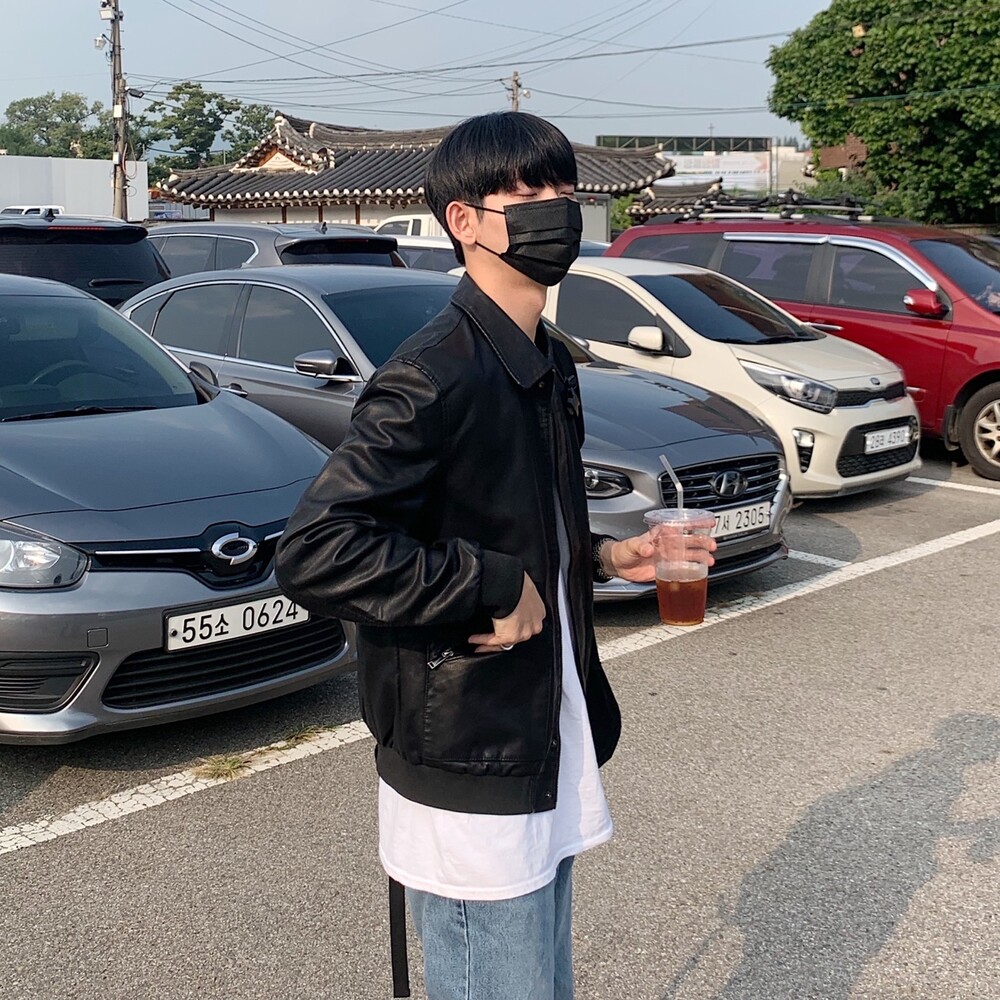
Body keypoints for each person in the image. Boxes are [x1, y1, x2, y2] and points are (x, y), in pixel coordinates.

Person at [275, 111, 716, 1000]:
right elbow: (316, 550)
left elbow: (511, 518)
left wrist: (608, 556)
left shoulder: (544, 358)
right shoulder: (435, 372)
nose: (558, 208)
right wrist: (487, 585)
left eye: (564, 188)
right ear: (464, 221)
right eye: (527, 191)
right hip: (468, 750)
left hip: (539, 731)